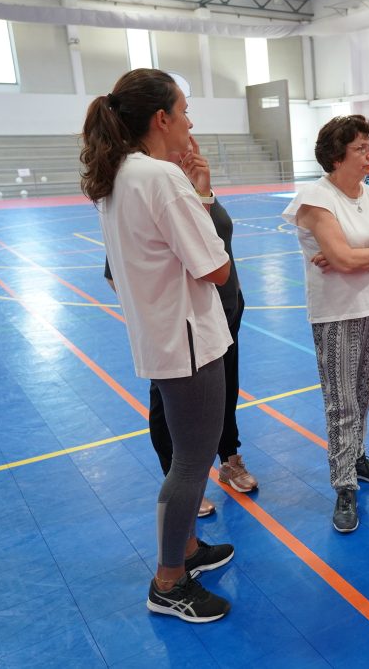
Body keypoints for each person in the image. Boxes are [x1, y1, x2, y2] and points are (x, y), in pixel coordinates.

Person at [81, 68, 235, 622]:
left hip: (163, 336)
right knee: (192, 462)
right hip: (188, 341)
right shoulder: (160, 180)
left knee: (188, 455)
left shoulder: (120, 175)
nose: (191, 121)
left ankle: (189, 550)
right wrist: (198, 194)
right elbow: (215, 267)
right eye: (185, 110)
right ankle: (169, 581)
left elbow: (123, 273)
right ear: (161, 118)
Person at [282, 115, 369, 533]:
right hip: (336, 313)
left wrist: (358, 257)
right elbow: (358, 257)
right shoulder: (315, 199)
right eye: (361, 149)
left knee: (364, 394)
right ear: (336, 157)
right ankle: (344, 486)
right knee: (341, 402)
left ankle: (356, 456)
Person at [104, 187, 258, 520]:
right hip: (182, 327)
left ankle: (230, 460)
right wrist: (157, 316)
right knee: (166, 404)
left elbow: (221, 248)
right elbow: (115, 274)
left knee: (226, 391)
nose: (190, 136)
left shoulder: (197, 191)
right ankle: (180, 483)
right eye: (184, 131)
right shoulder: (153, 194)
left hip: (224, 311)